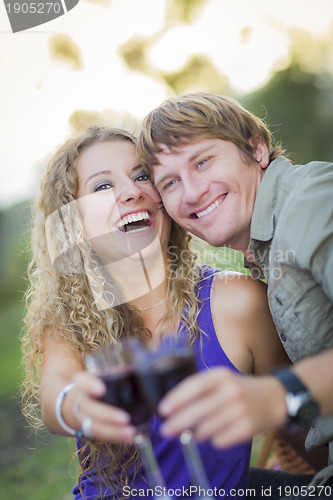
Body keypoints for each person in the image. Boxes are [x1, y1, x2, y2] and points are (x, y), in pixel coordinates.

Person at [21, 126, 289, 500]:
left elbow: (300, 420)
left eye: (142, 176)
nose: (132, 191)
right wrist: (74, 403)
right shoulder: (69, 321)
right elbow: (56, 393)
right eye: (102, 186)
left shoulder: (238, 302)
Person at [137, 92, 333, 498]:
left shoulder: (312, 202)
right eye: (170, 182)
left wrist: (277, 394)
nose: (190, 193)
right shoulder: (266, 251)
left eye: (203, 161)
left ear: (256, 149)